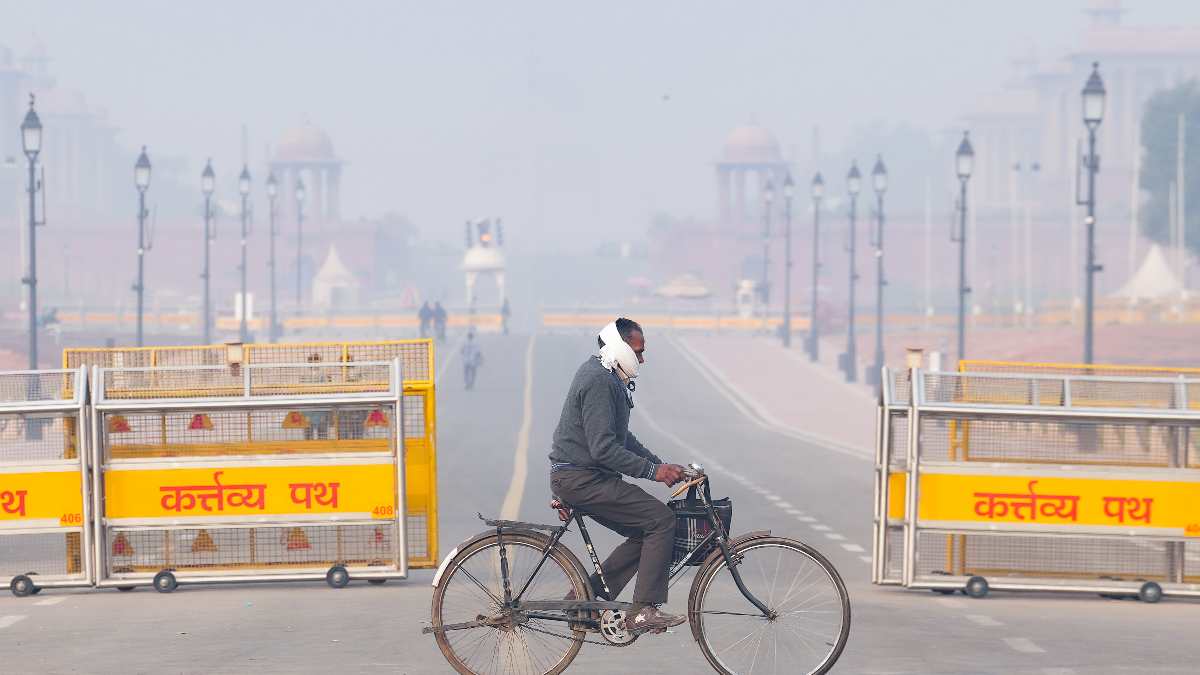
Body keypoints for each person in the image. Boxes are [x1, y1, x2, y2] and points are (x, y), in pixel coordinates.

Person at [548, 317, 688, 634]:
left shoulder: (609, 377)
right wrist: (655, 472)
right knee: (660, 520)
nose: (642, 359)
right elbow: (604, 449)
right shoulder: (599, 380)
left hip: (584, 477)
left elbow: (622, 438)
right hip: (581, 478)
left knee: (646, 531)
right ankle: (643, 611)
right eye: (638, 351)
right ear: (619, 347)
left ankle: (580, 601)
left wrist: (662, 466)